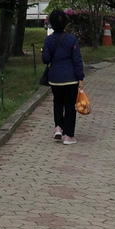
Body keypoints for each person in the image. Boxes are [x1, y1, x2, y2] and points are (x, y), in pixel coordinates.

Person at [42, 9, 85, 145]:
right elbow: (77, 60)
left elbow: (45, 59)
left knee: (58, 103)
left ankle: (58, 128)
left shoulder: (49, 40)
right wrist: (80, 78)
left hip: (55, 78)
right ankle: (69, 136)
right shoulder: (72, 39)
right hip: (71, 78)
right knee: (70, 106)